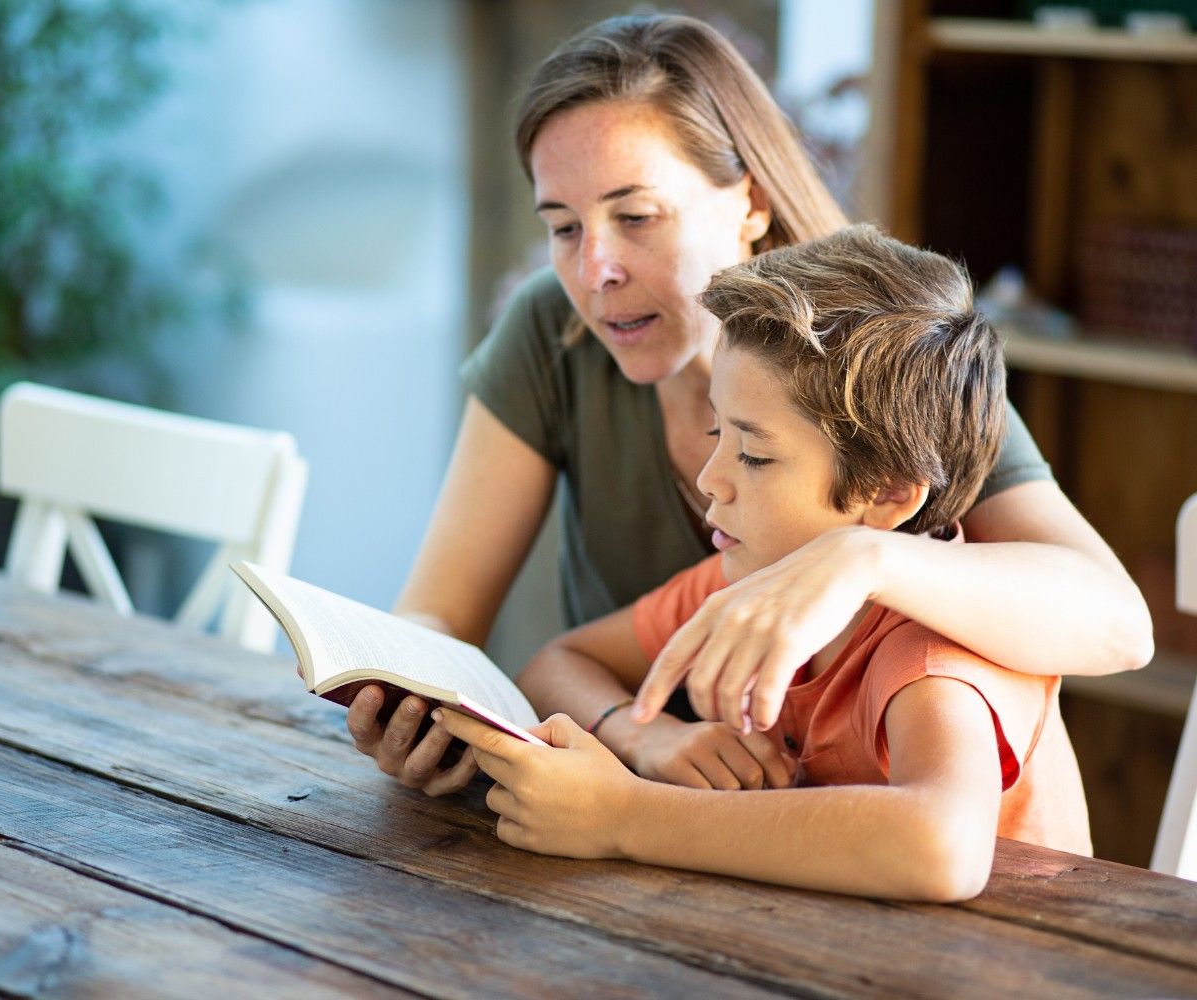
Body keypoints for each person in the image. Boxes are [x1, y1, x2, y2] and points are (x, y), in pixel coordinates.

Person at [345, 13, 1151, 796]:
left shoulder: (867, 359)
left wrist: (862, 558)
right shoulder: (551, 331)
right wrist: (435, 702)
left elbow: (1117, 623)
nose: (595, 271)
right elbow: (441, 616)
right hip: (646, 829)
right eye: (563, 227)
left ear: (752, 203)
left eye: (636, 217)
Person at [434, 226, 1092, 901]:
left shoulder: (928, 651)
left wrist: (624, 815)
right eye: (718, 432)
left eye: (754, 454)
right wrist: (647, 737)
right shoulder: (749, 581)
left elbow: (943, 848)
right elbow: (556, 664)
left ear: (889, 494)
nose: (712, 479)